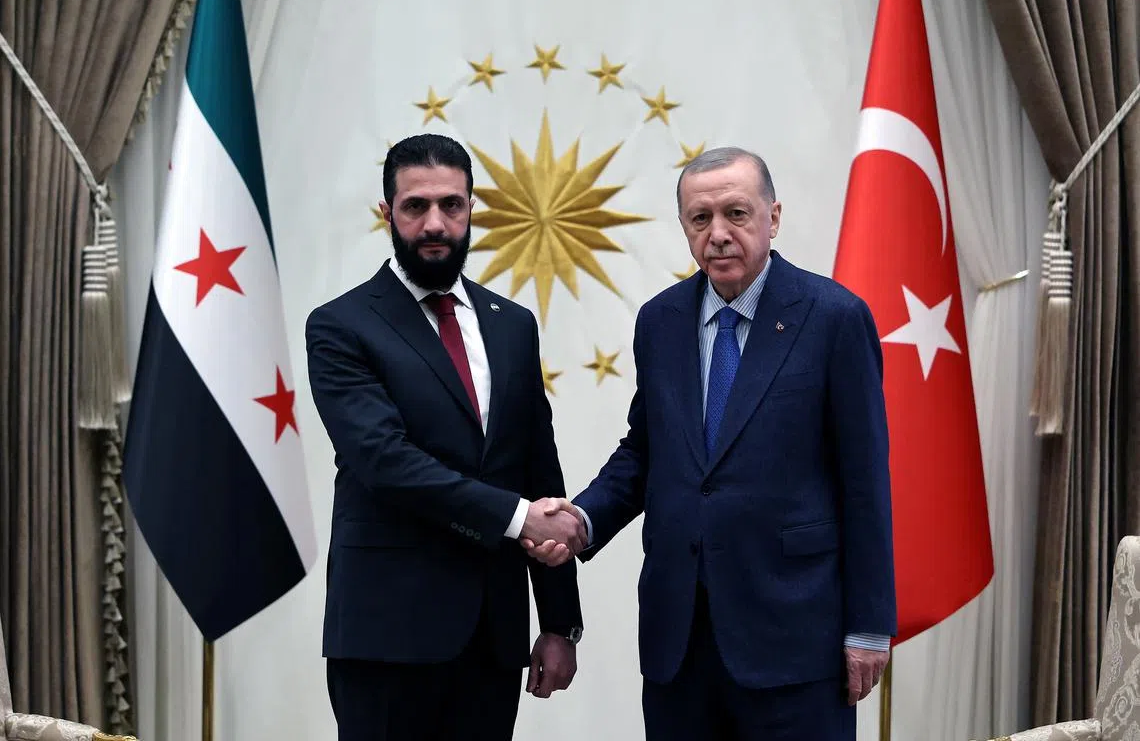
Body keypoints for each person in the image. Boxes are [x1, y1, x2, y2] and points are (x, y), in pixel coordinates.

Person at [526, 147, 896, 740]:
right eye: (701, 219)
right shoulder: (660, 321)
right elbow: (646, 451)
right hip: (681, 646)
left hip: (796, 643)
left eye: (736, 214)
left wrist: (870, 627)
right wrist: (582, 520)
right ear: (684, 228)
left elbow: (865, 480)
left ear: (773, 218)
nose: (719, 234)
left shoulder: (834, 317)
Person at [306, 133, 588, 741]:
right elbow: (385, 462)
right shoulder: (340, 326)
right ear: (387, 212)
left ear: (471, 209)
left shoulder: (512, 326)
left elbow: (539, 470)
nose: (435, 223)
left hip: (492, 638)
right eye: (415, 206)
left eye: (451, 206)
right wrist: (518, 518)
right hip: (386, 638)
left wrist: (561, 622)